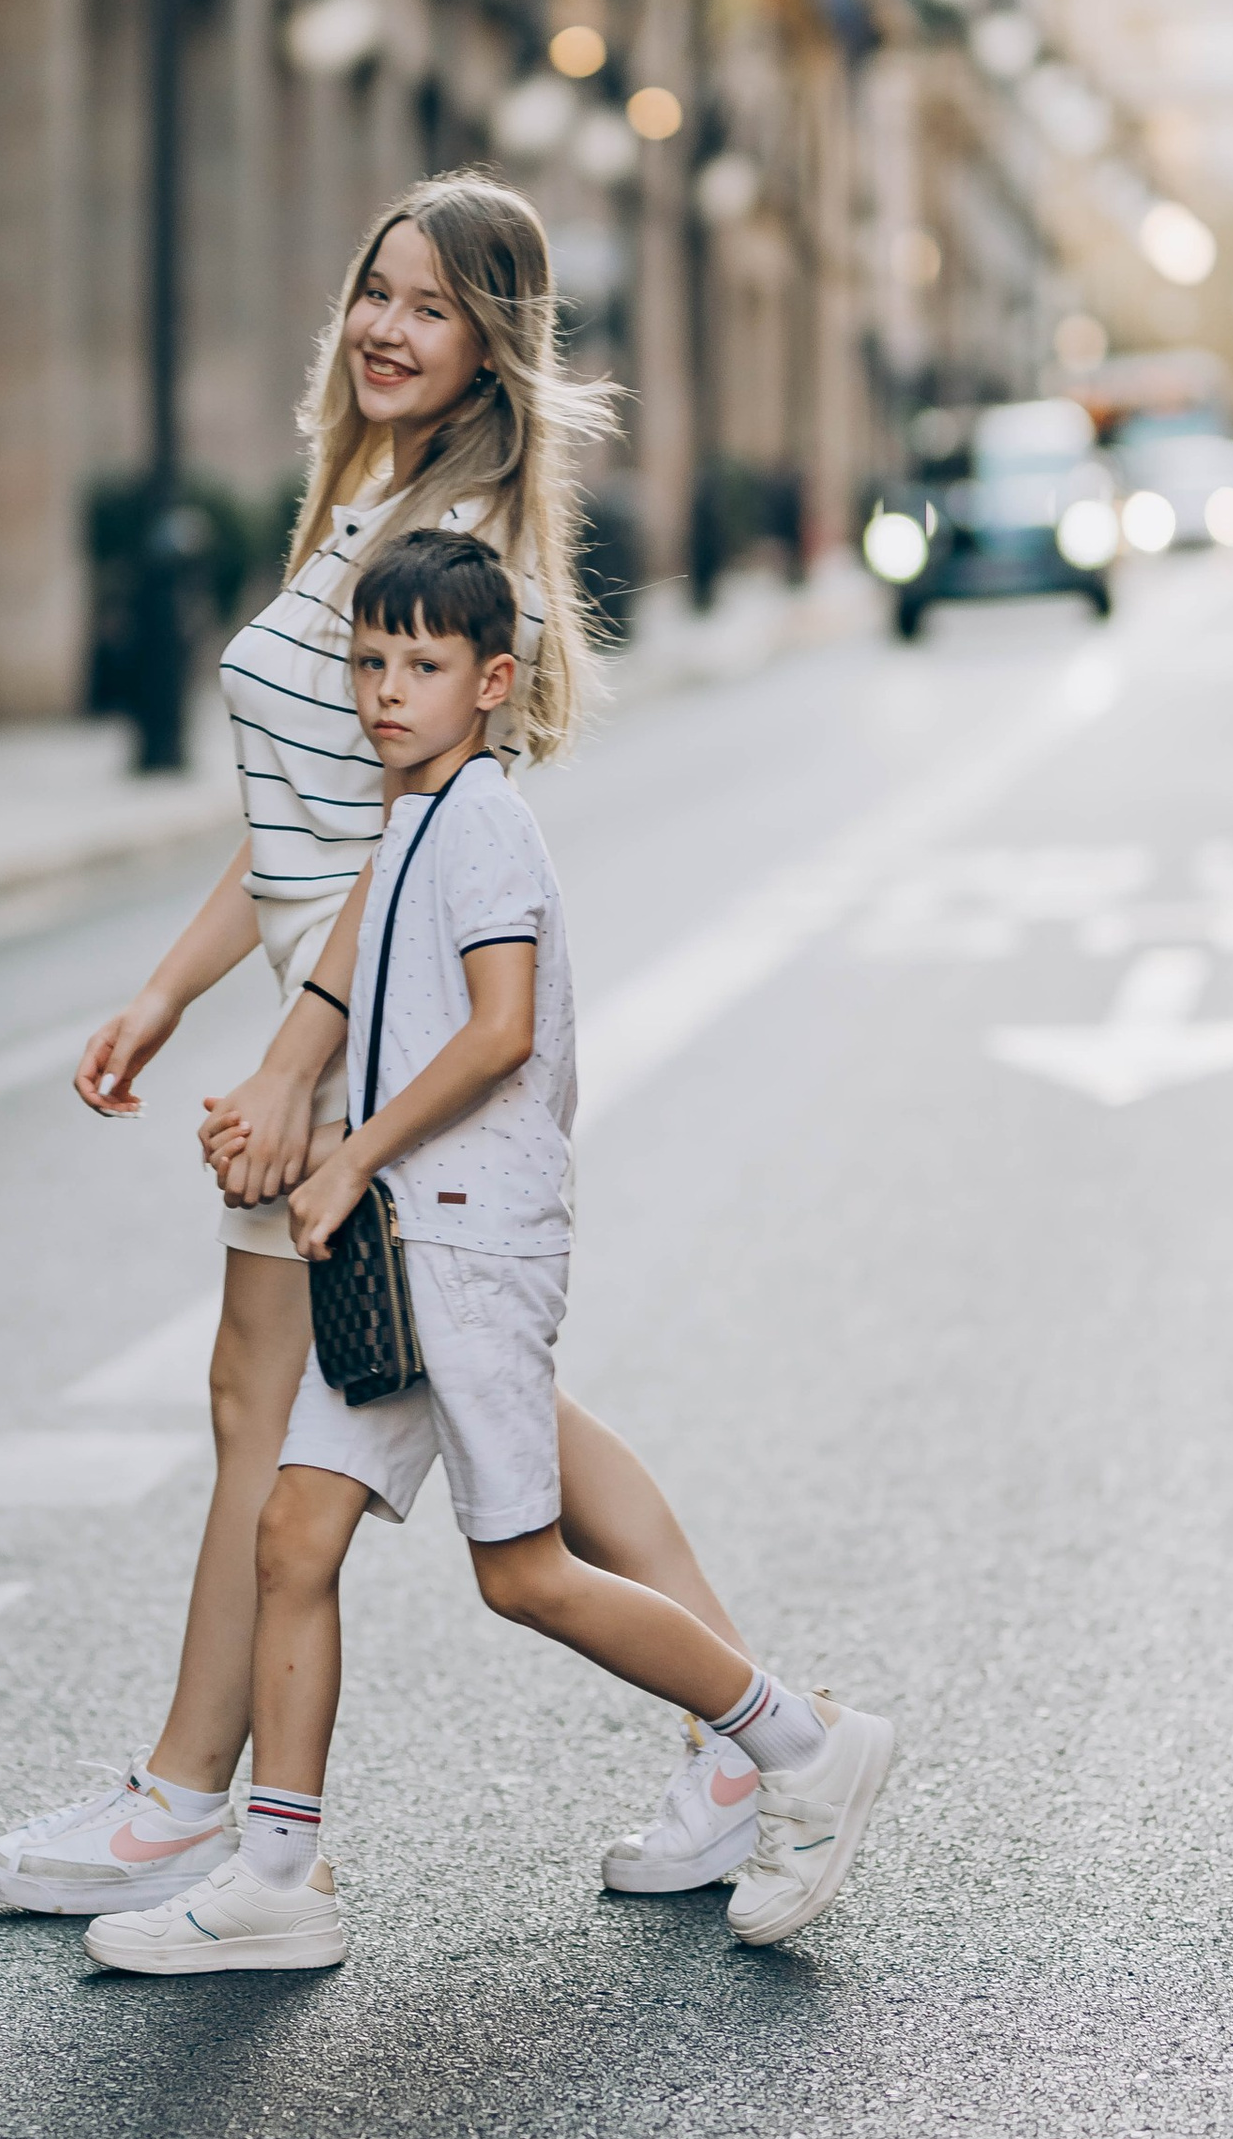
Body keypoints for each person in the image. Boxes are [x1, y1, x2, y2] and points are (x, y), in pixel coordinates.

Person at [0, 173, 782, 1919]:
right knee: (450, 1380)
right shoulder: (365, 494)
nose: (388, 327)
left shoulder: (460, 537)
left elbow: (396, 844)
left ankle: (189, 1802)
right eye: (375, 292)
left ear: (496, 342)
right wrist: (178, 988)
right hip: (314, 999)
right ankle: (742, 1730)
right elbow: (297, 812)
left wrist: (291, 1068)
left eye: (433, 306)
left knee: (277, 1397)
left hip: (367, 1019)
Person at [86, 530, 897, 1972]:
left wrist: (346, 1152)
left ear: (494, 681)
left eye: (425, 666)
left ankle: (801, 1743)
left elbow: (503, 1029)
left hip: (467, 1245)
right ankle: (278, 1878)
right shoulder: (409, 819)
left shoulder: (480, 824)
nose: (388, 691)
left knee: (522, 1574)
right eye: (370, 663)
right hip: (404, 1246)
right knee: (295, 1530)